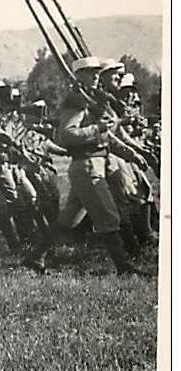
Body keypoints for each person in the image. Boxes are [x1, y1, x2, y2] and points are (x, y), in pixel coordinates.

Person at [24, 57, 150, 275]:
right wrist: (96, 128)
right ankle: (124, 267)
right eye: (91, 73)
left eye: (97, 73)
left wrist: (131, 154)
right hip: (87, 165)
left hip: (93, 164)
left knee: (69, 219)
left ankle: (36, 256)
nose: (95, 76)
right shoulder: (76, 102)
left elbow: (108, 136)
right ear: (78, 75)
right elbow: (67, 135)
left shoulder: (91, 99)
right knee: (109, 217)